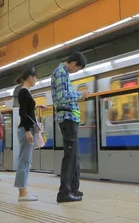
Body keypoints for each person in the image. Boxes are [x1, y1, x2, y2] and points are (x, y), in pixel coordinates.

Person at [52, 52, 89, 203]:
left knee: (74, 155)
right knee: (70, 156)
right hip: (67, 118)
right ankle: (64, 192)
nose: (76, 71)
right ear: (73, 63)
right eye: (77, 69)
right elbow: (62, 97)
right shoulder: (61, 73)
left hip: (71, 118)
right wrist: (80, 94)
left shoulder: (64, 74)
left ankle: (73, 189)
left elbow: (66, 94)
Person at [14, 67, 39, 201]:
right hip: (25, 130)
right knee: (24, 161)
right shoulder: (23, 92)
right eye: (35, 77)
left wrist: (37, 108)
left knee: (26, 161)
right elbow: (23, 113)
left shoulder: (25, 92)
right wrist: (28, 130)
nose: (36, 79)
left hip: (25, 128)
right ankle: (22, 193)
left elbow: (28, 111)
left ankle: (24, 190)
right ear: (30, 77)